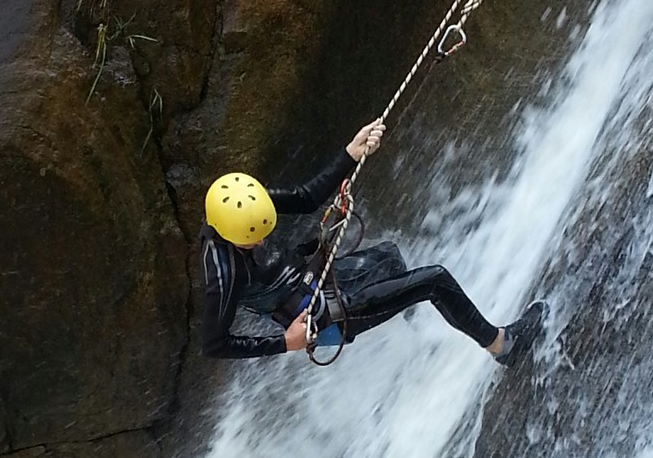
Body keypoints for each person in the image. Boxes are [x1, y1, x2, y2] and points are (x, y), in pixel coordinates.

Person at [199, 118, 546, 362]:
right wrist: (284, 343)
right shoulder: (223, 273)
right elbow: (214, 345)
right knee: (435, 279)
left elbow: (305, 198)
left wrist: (349, 154)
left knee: (390, 258)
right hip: (326, 317)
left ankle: (425, 330)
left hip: (318, 279)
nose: (261, 243)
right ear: (230, 235)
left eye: (263, 234)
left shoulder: (243, 200)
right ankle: (502, 346)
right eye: (253, 241)